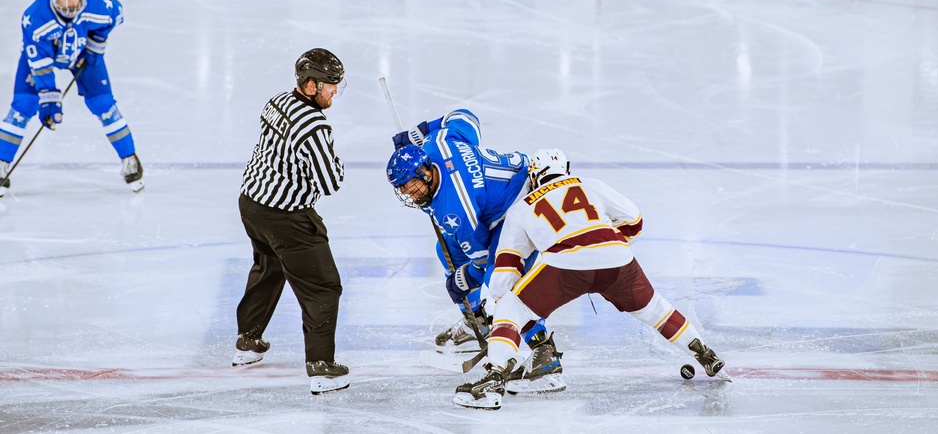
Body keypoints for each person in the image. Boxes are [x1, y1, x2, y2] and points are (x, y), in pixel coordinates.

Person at [453, 148, 730, 410]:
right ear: (566, 169)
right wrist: (606, 246)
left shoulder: (522, 207)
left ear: (534, 176)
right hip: (617, 259)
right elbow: (634, 221)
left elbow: (505, 270)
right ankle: (706, 354)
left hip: (565, 264)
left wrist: (500, 304)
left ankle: (493, 380)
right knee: (656, 309)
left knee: (510, 308)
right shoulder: (591, 184)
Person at [386, 109, 565, 394]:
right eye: (402, 188)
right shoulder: (438, 143)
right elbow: (466, 117)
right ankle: (478, 322)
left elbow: (482, 259)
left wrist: (464, 280)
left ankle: (544, 351)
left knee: (502, 281)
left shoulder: (454, 209)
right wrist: (419, 132)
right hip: (494, 200)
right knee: (446, 251)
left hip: (520, 206)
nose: (408, 193)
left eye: (410, 184)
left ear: (425, 171)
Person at [233, 48, 349, 395]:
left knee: (269, 267)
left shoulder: (277, 101)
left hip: (251, 203)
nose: (334, 92)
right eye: (330, 85)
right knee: (323, 286)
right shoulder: (314, 127)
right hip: (287, 217)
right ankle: (321, 367)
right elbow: (331, 182)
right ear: (311, 85)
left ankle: (248, 341)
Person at [0, 0, 143, 197]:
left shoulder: (97, 5)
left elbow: (116, 14)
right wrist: (49, 98)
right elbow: (40, 64)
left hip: (80, 55)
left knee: (104, 105)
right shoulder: (34, 18)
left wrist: (95, 45)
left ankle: (129, 158)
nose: (72, 0)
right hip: (43, 58)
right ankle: (1, 162)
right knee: (23, 106)